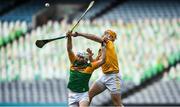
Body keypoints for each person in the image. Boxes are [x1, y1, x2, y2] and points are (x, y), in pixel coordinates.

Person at [72, 30, 123, 107]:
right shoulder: (102, 49)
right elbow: (95, 64)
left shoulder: (109, 43)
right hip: (104, 76)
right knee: (88, 96)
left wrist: (79, 34)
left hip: (113, 77)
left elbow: (93, 37)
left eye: (108, 34)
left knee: (117, 104)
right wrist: (90, 57)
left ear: (111, 38)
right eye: (105, 33)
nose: (105, 35)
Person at [66, 31, 106, 107]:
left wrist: (103, 45)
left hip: (83, 95)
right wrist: (69, 37)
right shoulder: (73, 61)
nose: (78, 58)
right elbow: (69, 49)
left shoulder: (90, 67)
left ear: (85, 60)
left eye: (81, 57)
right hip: (72, 95)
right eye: (78, 56)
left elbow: (103, 60)